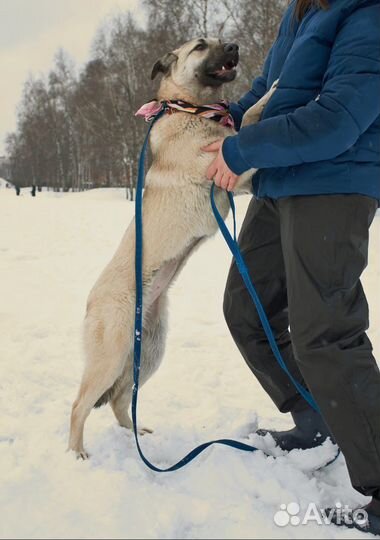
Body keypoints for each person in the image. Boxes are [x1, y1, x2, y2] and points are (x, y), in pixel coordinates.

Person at [203, 0, 380, 534]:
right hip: (283, 179)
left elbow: (340, 118)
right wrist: (226, 117)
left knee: (325, 333)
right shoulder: (305, 10)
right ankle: (316, 417)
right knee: (248, 308)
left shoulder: (368, 16)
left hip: (335, 181)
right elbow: (271, 89)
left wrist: (242, 150)